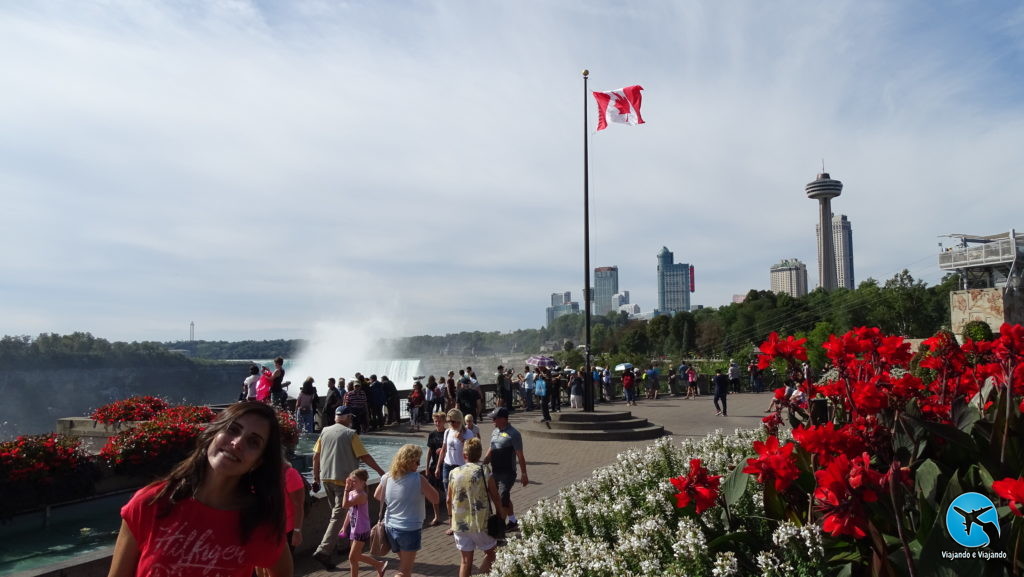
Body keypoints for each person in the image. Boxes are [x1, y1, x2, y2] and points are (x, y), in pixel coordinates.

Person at [107, 402, 292, 577]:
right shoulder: (151, 502)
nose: (237, 443)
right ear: (213, 434)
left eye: (253, 442)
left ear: (258, 461)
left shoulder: (258, 521)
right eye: (232, 429)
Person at [311, 406, 386, 570]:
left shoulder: (324, 431)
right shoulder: (350, 434)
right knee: (338, 516)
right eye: (350, 417)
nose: (351, 419)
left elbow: (316, 456)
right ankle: (323, 550)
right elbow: (364, 456)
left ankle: (342, 545)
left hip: (326, 479)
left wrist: (316, 478)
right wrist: (381, 471)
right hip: (343, 481)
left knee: (337, 514)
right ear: (346, 418)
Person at [374, 444, 439, 577]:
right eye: (417, 461)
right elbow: (436, 499)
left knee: (405, 565)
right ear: (409, 462)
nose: (419, 464)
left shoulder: (387, 477)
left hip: (390, 527)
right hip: (409, 529)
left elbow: (377, 495)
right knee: (404, 571)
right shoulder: (418, 479)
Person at [448, 438, 504, 577]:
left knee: (465, 561)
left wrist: (451, 519)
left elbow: (449, 499)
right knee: (492, 554)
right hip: (480, 522)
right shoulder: (484, 470)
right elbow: (495, 496)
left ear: (464, 455)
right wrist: (500, 513)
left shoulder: (453, 473)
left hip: (459, 524)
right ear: (479, 454)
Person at [482, 407, 528, 532]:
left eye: (494, 418)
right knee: (500, 497)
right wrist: (485, 460)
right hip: (495, 471)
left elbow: (520, 455)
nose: (492, 421)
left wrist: (524, 474)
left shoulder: (514, 434)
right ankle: (513, 521)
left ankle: (499, 527)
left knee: (503, 497)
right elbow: (491, 447)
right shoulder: (495, 431)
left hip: (508, 472)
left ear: (503, 419)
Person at [339, 469, 387, 577]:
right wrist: (344, 526)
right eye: (351, 481)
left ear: (363, 482)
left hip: (361, 529)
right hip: (353, 528)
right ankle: (378, 565)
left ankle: (379, 564)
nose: (352, 483)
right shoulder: (352, 493)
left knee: (352, 556)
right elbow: (349, 511)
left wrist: (345, 490)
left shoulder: (362, 495)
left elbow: (345, 504)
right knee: (355, 557)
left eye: (355, 481)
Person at [434, 408, 475, 534]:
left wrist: (462, 440)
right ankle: (452, 524)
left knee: (462, 496)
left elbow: (472, 452)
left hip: (461, 467)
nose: (451, 424)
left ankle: (466, 519)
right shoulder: (447, 432)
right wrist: (437, 466)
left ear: (459, 421)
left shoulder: (468, 433)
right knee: (448, 498)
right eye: (449, 421)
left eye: (453, 421)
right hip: (448, 466)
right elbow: (444, 450)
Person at [424, 412, 448, 526]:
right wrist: (427, 466)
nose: (437, 423)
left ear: (444, 421)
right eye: (435, 421)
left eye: (439, 421)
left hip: (446, 465)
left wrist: (444, 451)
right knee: (434, 492)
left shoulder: (447, 433)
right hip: (434, 466)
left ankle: (451, 516)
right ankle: (437, 516)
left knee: (448, 492)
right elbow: (429, 451)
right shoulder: (432, 434)